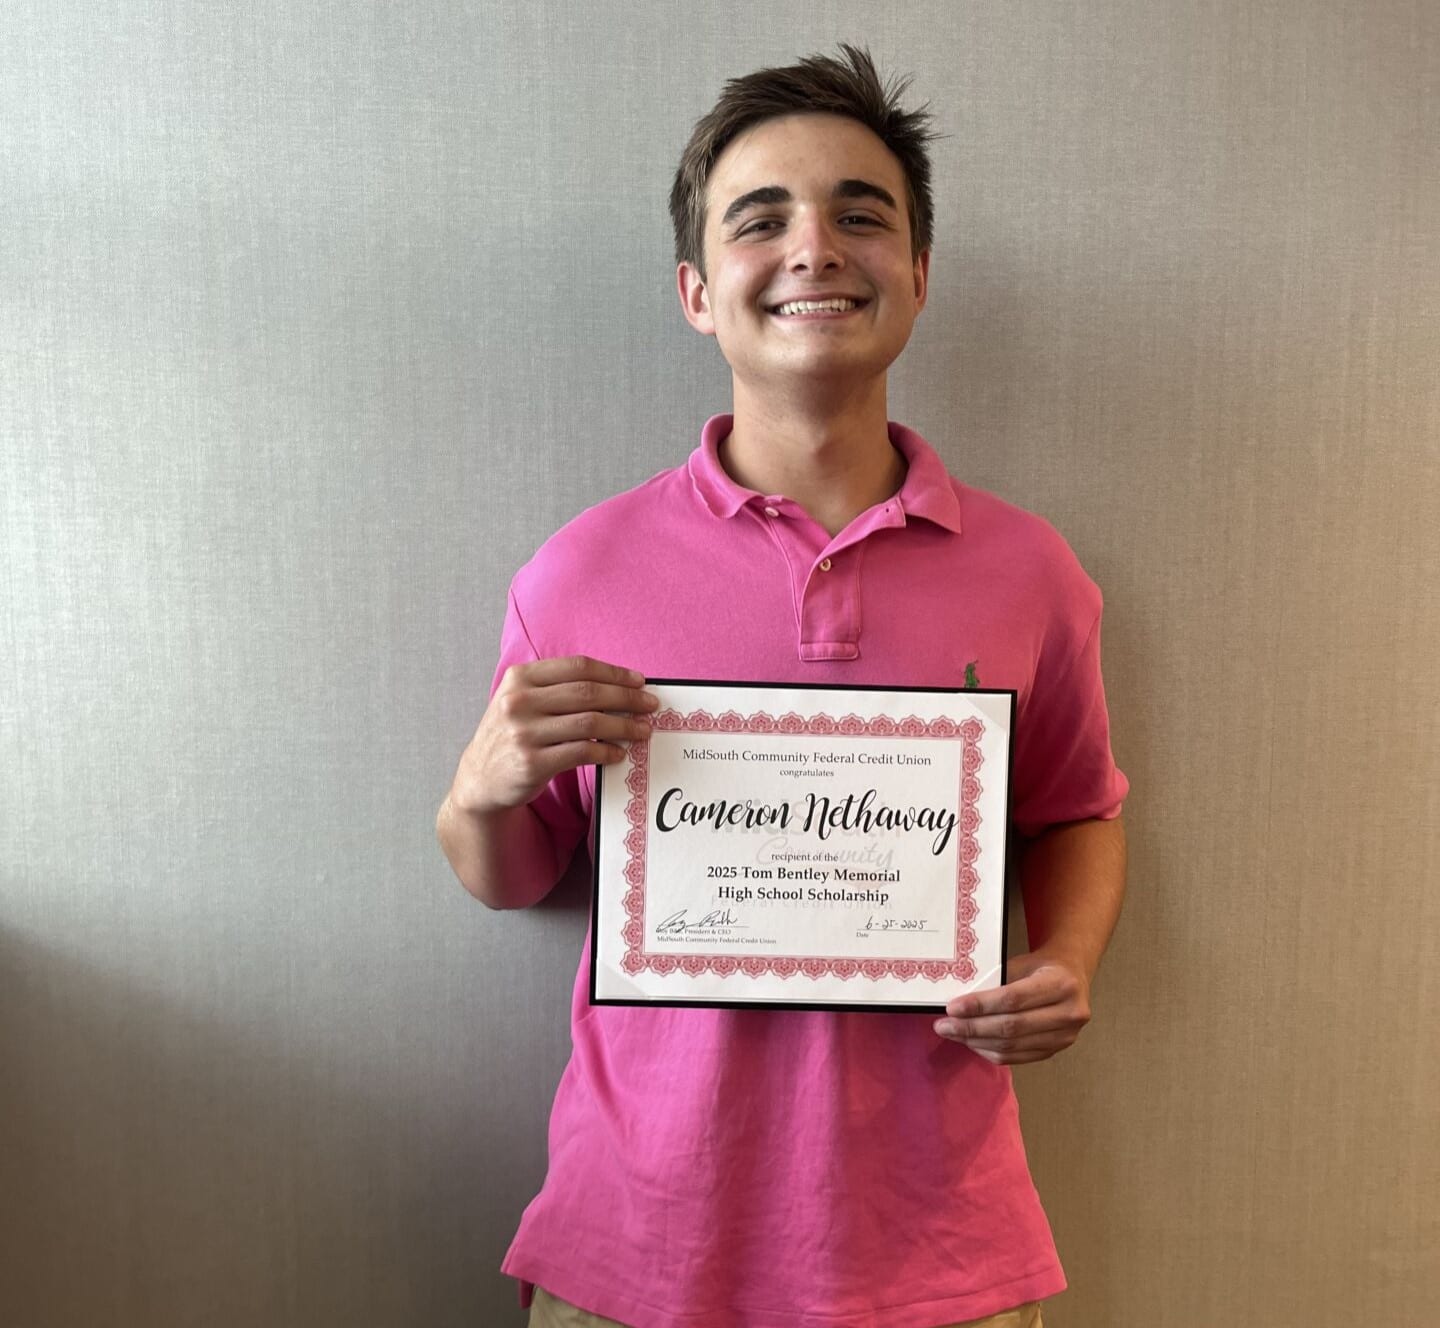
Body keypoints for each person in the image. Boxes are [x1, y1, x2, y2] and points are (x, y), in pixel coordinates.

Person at [437, 44, 1128, 1328]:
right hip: (634, 1249)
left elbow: (1077, 806)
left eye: (862, 212)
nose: (815, 246)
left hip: (943, 1259)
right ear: (699, 291)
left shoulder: (1032, 572)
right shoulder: (580, 569)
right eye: (763, 219)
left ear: (920, 275)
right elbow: (519, 873)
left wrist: (1069, 957)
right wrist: (478, 793)